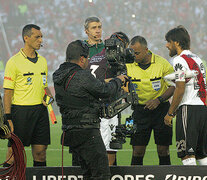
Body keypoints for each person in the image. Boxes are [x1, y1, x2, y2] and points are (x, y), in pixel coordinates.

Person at [53, 40, 127, 180]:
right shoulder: (82, 75)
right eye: (86, 58)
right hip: (87, 131)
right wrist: (118, 80)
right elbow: (105, 91)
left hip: (70, 130)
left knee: (87, 173)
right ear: (82, 59)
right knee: (101, 174)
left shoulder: (58, 75)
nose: (87, 61)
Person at [3, 24, 53, 167]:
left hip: (40, 113)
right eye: (37, 37)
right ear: (26, 38)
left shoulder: (43, 61)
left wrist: (49, 97)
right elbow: (7, 92)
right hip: (21, 112)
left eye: (41, 37)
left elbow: (44, 87)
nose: (40, 40)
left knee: (41, 153)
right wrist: (8, 118)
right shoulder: (13, 62)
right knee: (14, 155)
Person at [84, 16, 130, 166]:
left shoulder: (94, 57)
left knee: (93, 149)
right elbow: (125, 87)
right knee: (108, 150)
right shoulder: (115, 60)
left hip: (89, 108)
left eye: (99, 27)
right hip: (107, 108)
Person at [126, 35, 175, 165]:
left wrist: (158, 100)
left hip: (161, 110)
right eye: (131, 52)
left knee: (163, 150)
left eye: (137, 53)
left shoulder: (162, 63)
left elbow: (173, 86)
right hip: (140, 111)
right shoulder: (128, 65)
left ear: (146, 50)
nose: (134, 55)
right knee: (137, 151)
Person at [164, 26, 207, 165]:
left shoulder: (179, 60)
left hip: (189, 108)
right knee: (202, 154)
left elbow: (180, 88)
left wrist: (170, 113)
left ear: (176, 43)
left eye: (168, 42)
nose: (167, 45)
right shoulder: (197, 59)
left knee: (187, 154)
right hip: (203, 108)